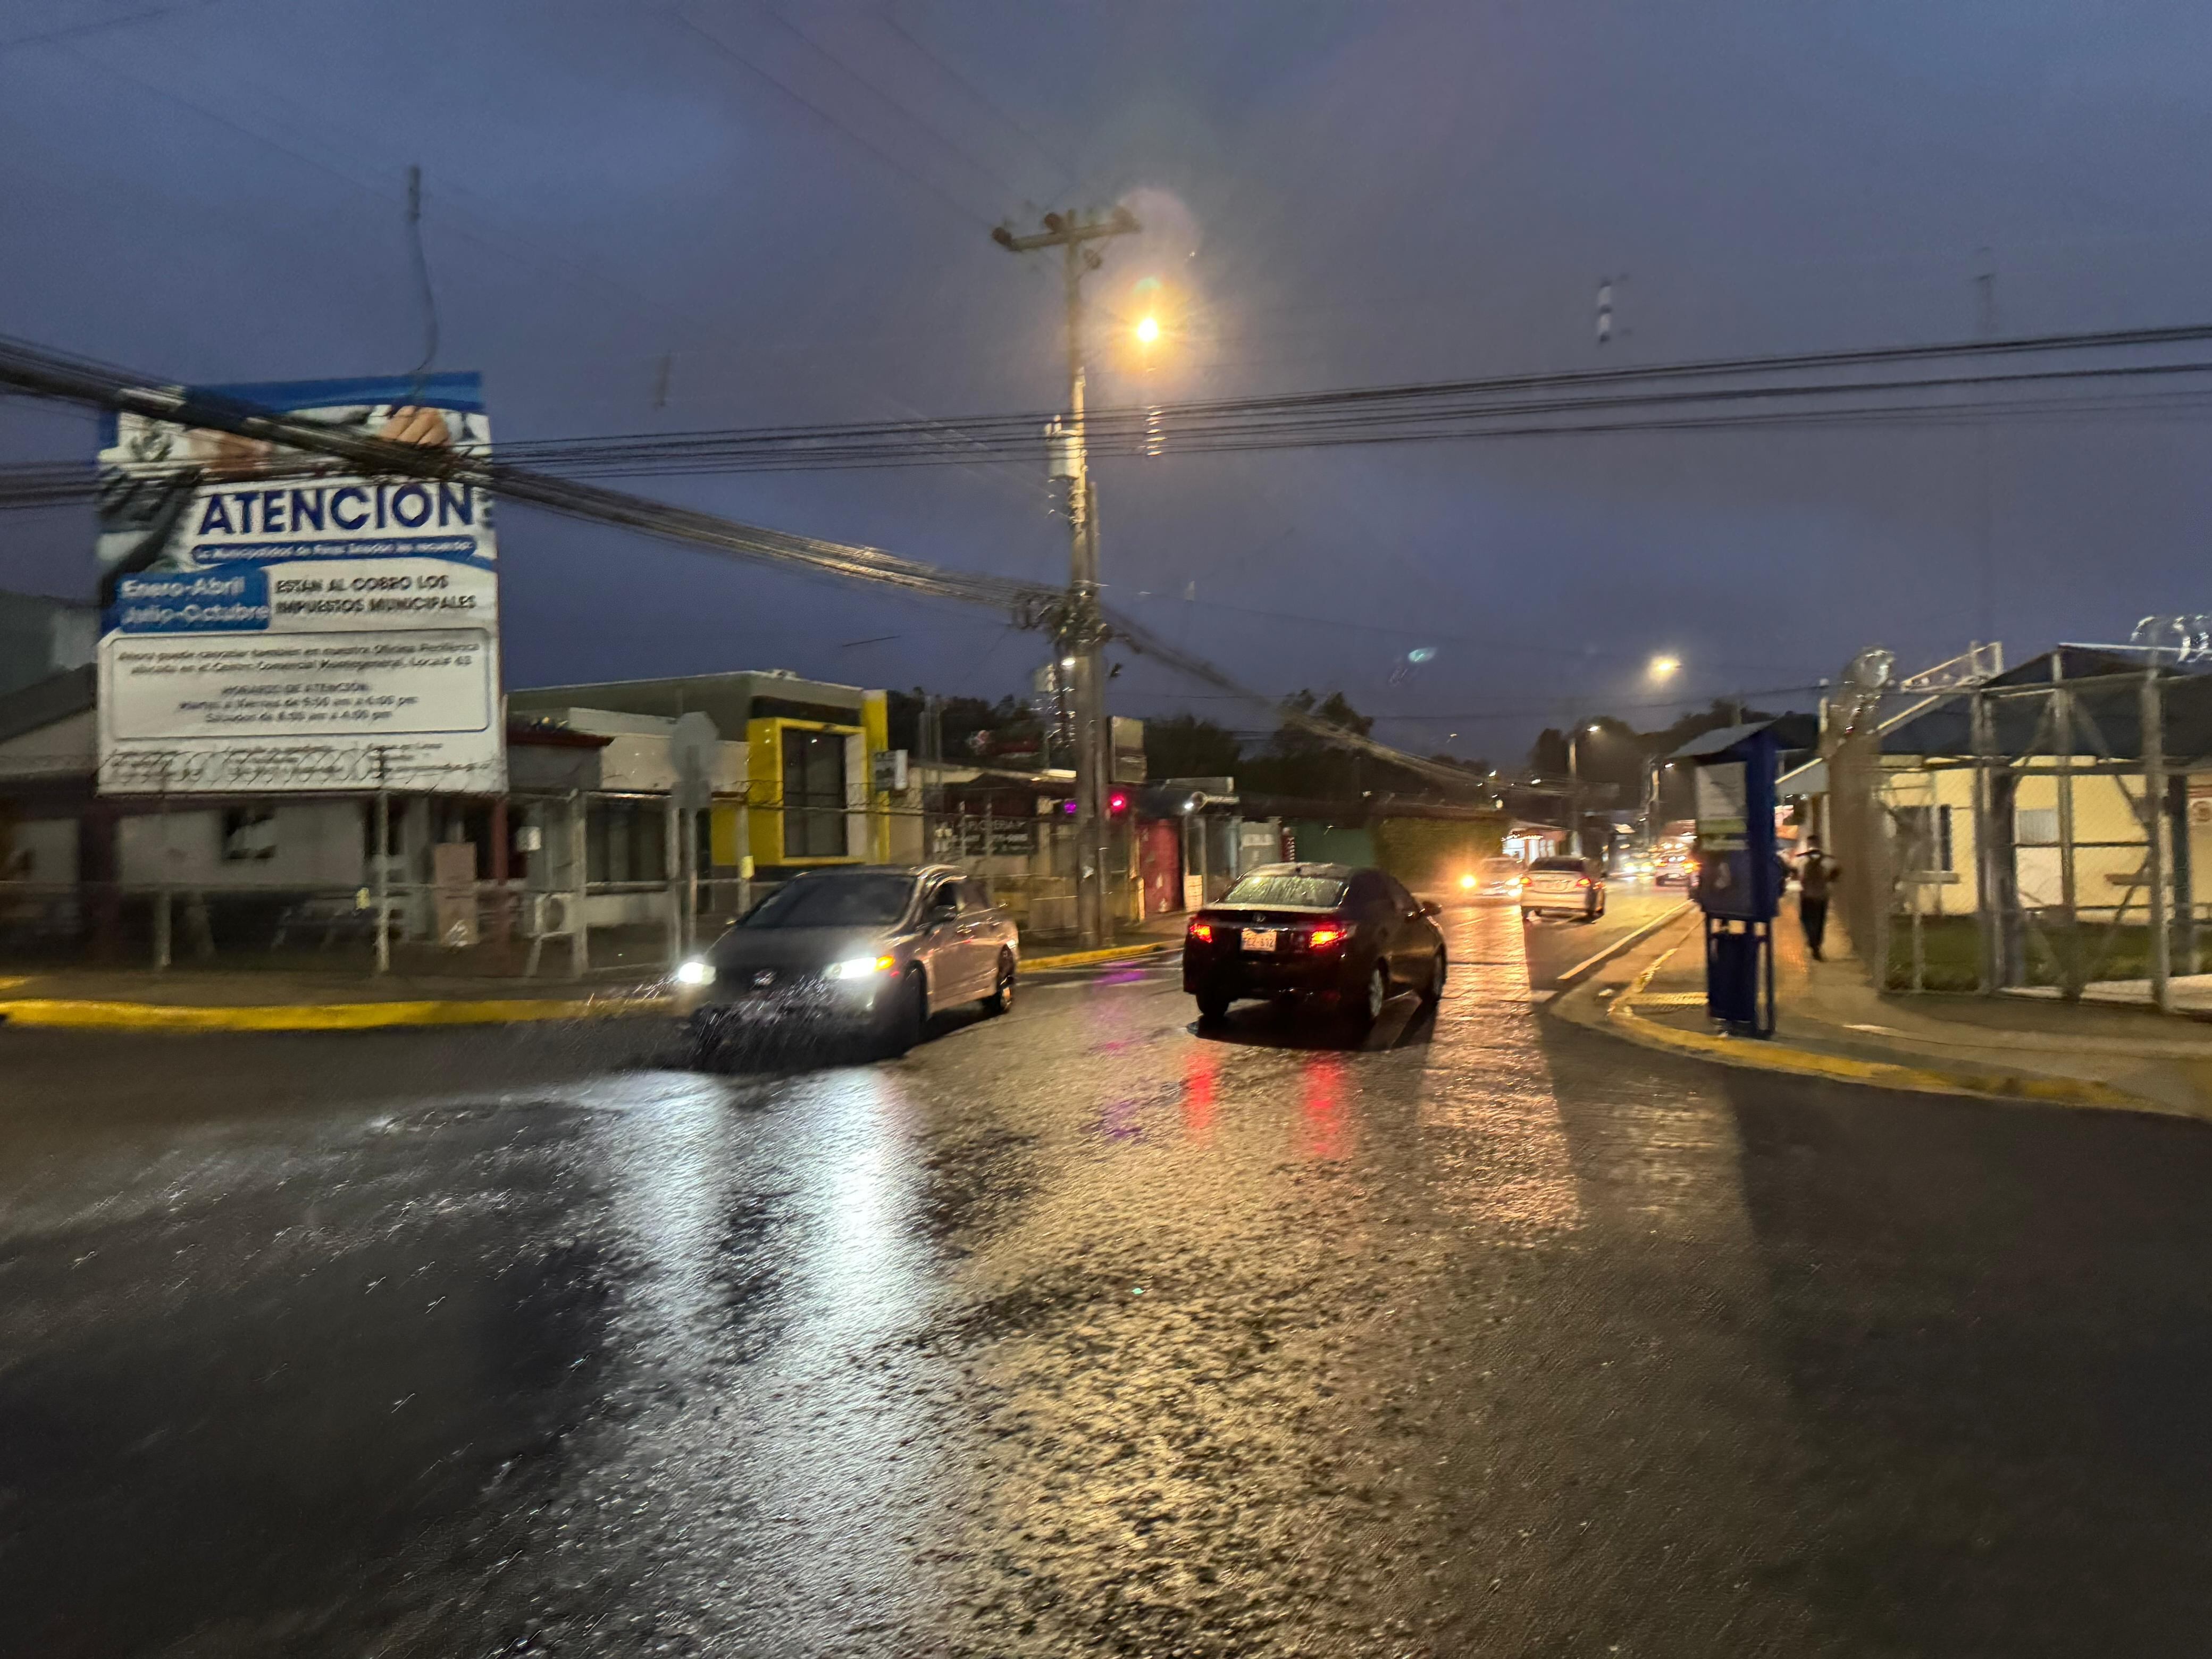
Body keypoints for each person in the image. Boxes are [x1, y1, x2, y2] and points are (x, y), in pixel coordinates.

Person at [1797, 837, 1840, 960]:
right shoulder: (1828, 861)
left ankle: (1813, 941)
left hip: (1807, 897)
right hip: (1821, 896)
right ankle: (1816, 943)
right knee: (1820, 921)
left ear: (1808, 844)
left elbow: (1797, 875)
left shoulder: (1802, 860)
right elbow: (1836, 872)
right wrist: (1828, 879)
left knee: (1807, 920)